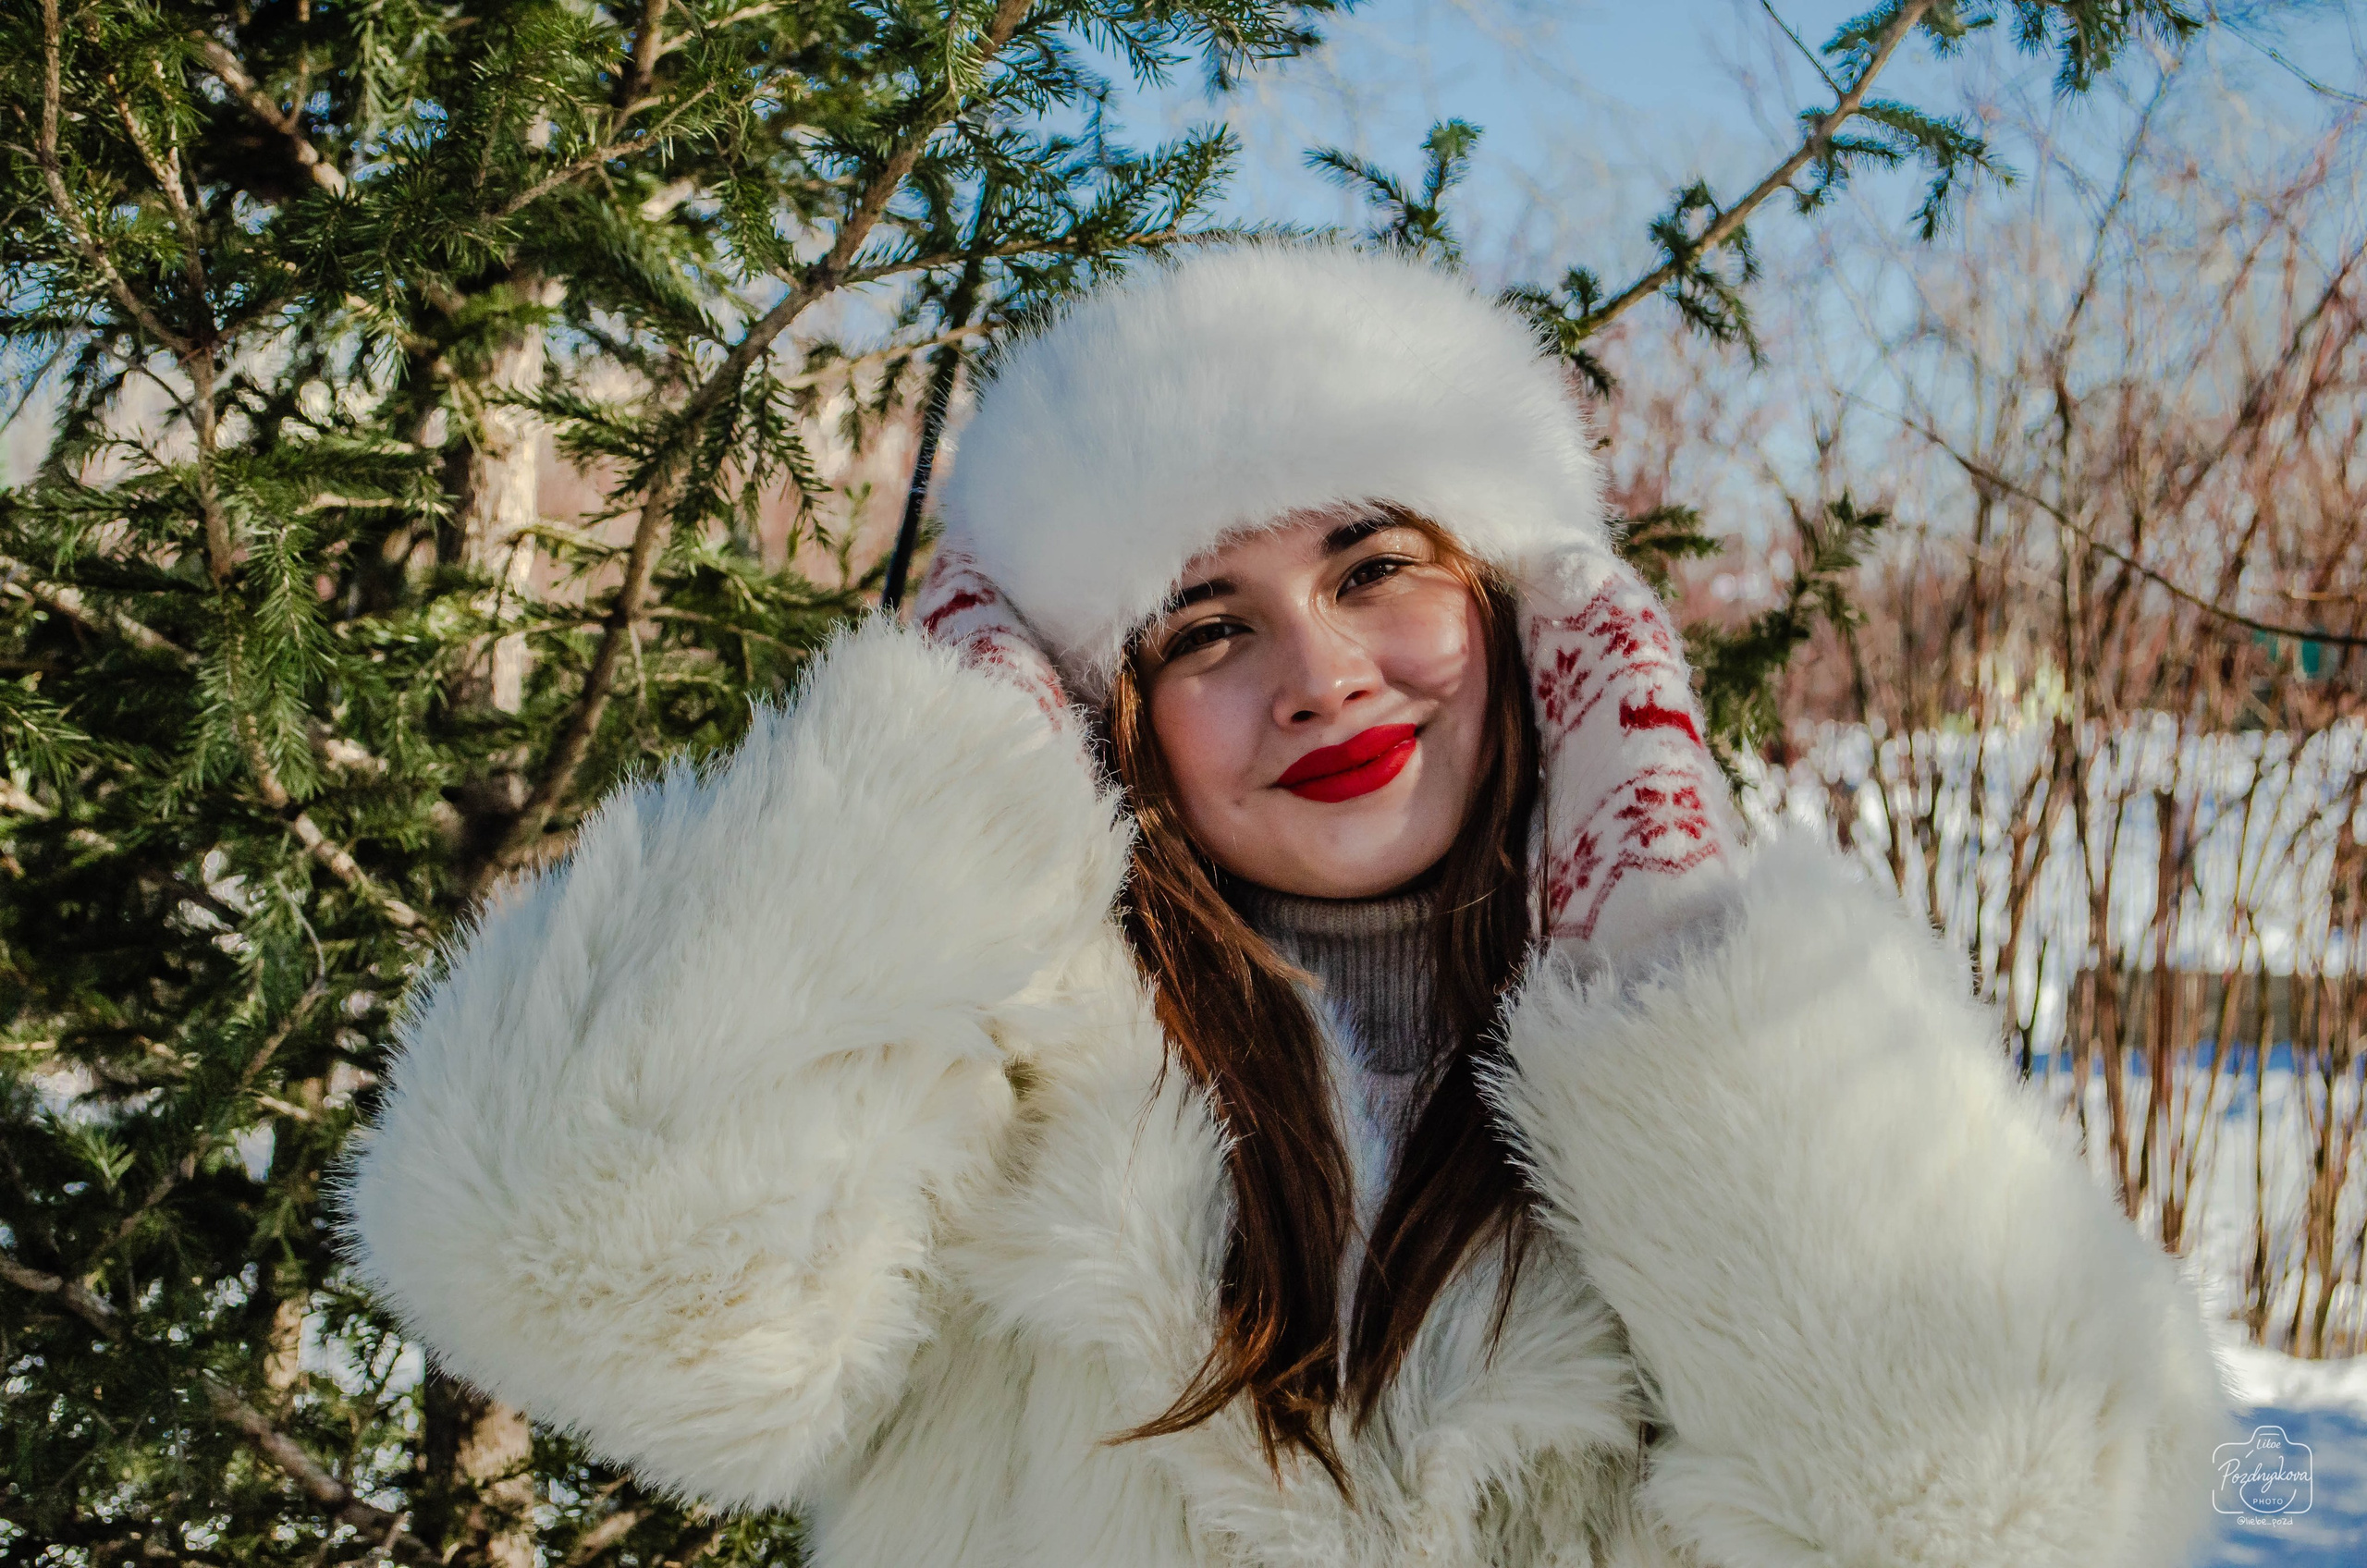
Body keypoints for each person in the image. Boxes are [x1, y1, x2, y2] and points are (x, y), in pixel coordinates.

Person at [345, 243, 2233, 1567]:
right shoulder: (997, 1066)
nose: (1319, 675)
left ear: (1514, 600)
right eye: (1204, 624)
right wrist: (920, 796)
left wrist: (1675, 963)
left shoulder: (1757, 1049)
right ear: (1108, 708)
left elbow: (2017, 1517)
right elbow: (589, 1277)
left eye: (1374, 567)